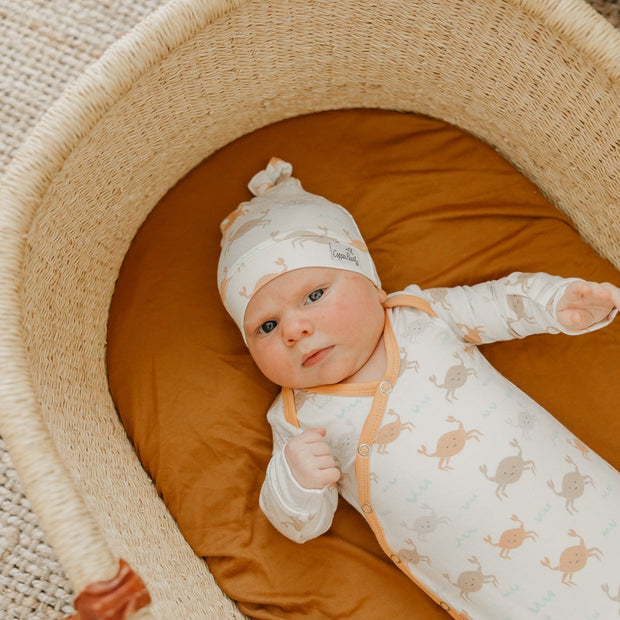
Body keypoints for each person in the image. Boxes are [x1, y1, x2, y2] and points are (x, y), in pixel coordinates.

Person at [218, 158, 620, 619]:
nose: (294, 329)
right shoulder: (296, 419)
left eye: (313, 295)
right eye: (266, 326)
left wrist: (555, 301)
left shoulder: (420, 315)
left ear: (370, 281)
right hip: (502, 588)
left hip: (579, 498)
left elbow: (497, 302)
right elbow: (300, 525)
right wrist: (295, 481)